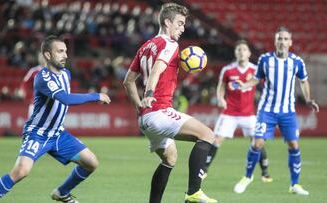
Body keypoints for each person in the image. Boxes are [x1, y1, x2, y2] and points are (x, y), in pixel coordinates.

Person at [0, 35, 111, 203]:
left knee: (91, 162)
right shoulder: (42, 78)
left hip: (58, 133)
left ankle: (62, 192)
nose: (65, 55)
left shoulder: (66, 74)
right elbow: (65, 98)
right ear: (47, 55)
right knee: (20, 171)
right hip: (38, 133)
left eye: (65, 51)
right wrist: (95, 96)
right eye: (60, 51)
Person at [123, 3, 217, 203]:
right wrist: (148, 94)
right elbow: (157, 69)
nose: (183, 28)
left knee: (170, 158)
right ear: (167, 22)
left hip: (146, 118)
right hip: (159, 110)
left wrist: (139, 105)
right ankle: (193, 193)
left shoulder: (146, 46)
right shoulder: (170, 44)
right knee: (207, 135)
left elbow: (128, 81)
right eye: (180, 23)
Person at [233, 27, 319, 195]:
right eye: (279, 38)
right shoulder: (265, 60)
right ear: (275, 42)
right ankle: (247, 177)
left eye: (285, 39)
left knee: (294, 145)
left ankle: (294, 184)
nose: (282, 42)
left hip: (287, 111)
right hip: (267, 110)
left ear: (290, 42)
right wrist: (244, 85)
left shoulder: (297, 62)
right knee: (257, 143)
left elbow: (304, 81)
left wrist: (309, 99)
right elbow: (256, 79)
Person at [204, 40, 272, 183]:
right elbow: (221, 85)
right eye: (238, 49)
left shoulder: (255, 69)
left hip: (249, 114)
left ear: (249, 53)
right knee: (217, 140)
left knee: (257, 141)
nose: (241, 52)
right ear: (235, 53)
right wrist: (220, 98)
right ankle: (204, 169)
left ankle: (265, 172)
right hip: (230, 112)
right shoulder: (228, 70)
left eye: (244, 49)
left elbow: (266, 85)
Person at [19, 52, 45, 117]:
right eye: (40, 56)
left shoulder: (54, 72)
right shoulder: (34, 71)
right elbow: (25, 83)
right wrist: (23, 90)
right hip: (35, 105)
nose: (42, 58)